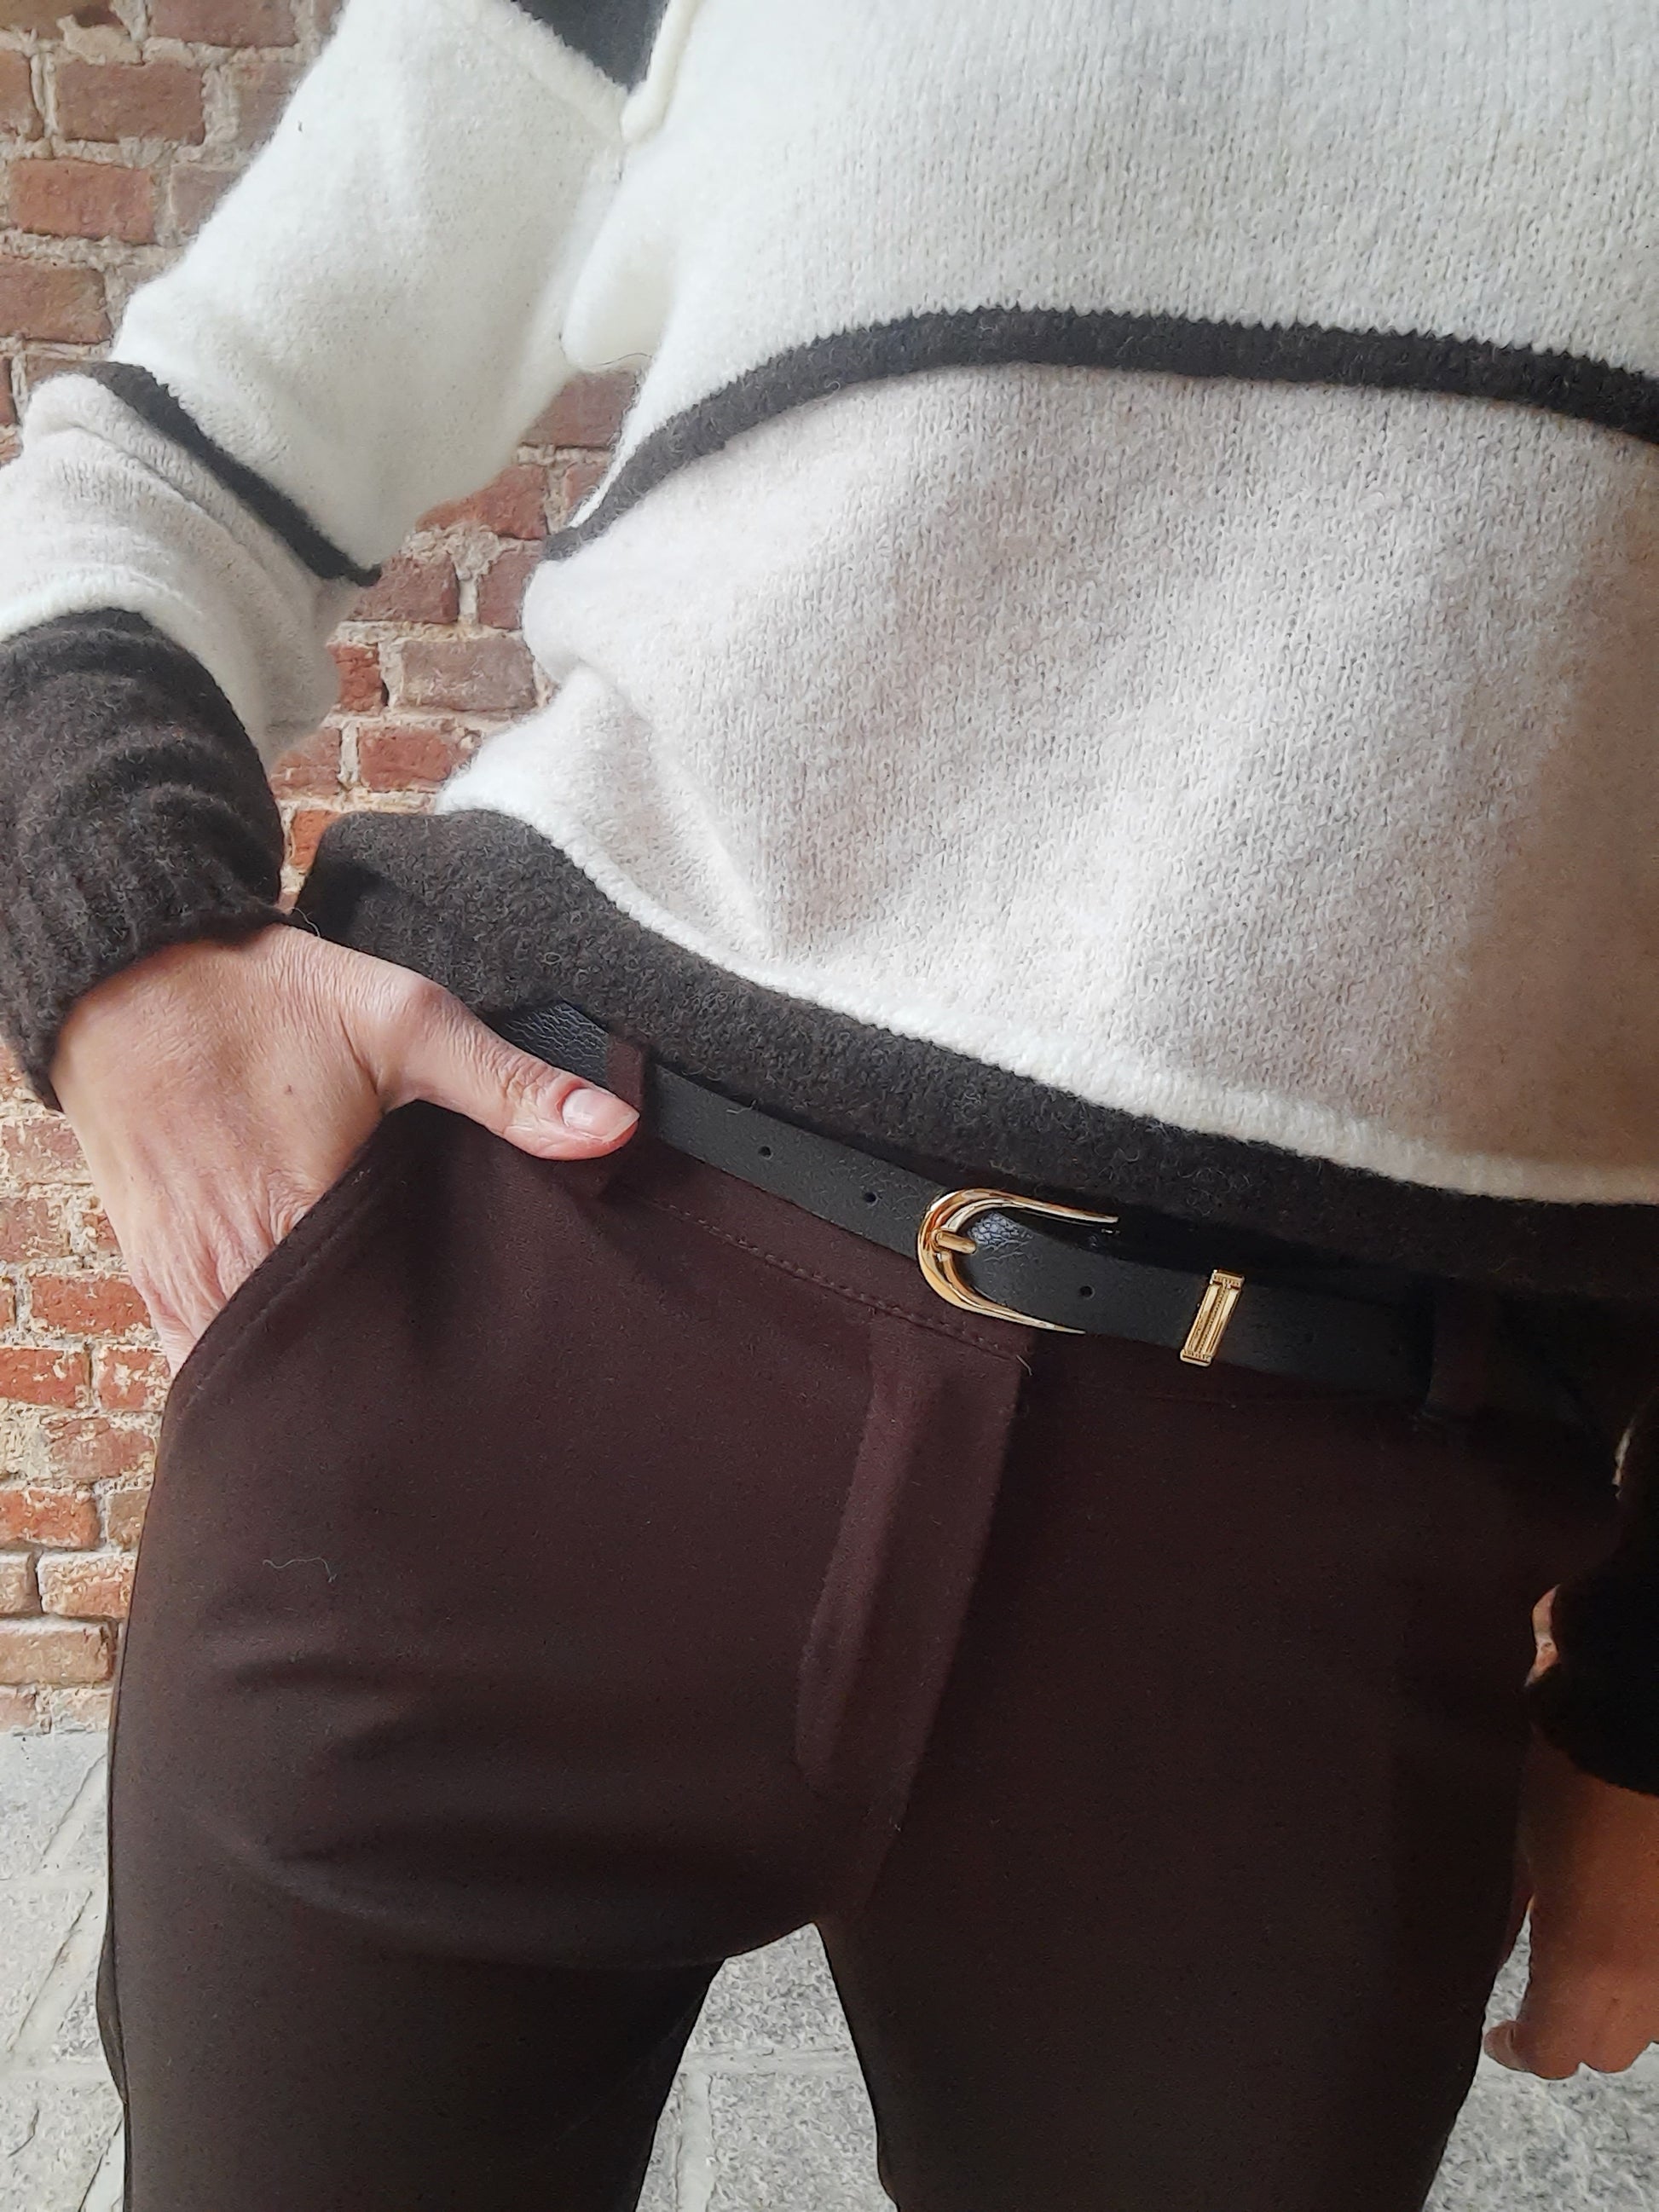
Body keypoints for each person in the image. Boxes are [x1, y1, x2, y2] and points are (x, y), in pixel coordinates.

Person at [1, 1, 1656, 2204]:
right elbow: (160, 460)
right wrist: (125, 964)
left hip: (1320, 1536)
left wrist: (1644, 1712)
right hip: (527, 1332)